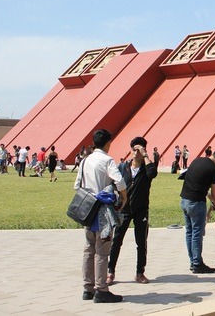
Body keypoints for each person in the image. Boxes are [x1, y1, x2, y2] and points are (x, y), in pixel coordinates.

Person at [75, 129, 127, 303]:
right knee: (102, 250)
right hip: (103, 211)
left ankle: (87, 288)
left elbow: (77, 185)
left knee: (88, 248)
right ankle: (101, 289)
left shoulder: (85, 160)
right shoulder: (106, 160)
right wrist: (124, 197)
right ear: (108, 143)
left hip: (87, 209)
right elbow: (119, 181)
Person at [108, 136, 157, 285]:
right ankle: (110, 271)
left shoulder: (147, 167)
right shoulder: (123, 167)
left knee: (141, 242)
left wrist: (146, 155)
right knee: (116, 241)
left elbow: (152, 174)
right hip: (124, 209)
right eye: (134, 150)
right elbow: (113, 183)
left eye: (140, 150)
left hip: (141, 209)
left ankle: (139, 272)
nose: (136, 153)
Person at [179, 148, 215, 274]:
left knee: (189, 232)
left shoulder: (197, 160)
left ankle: (192, 261)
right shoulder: (214, 170)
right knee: (197, 233)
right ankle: (197, 263)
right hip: (196, 203)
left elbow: (194, 181)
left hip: (184, 200)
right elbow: (214, 192)